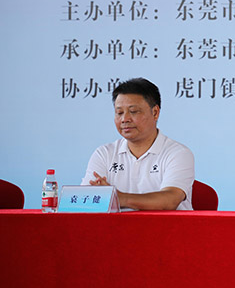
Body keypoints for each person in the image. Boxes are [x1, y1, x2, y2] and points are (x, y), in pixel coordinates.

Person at [81, 78, 195, 210]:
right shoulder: (104, 153)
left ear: (155, 112)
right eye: (119, 113)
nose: (124, 119)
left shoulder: (178, 153)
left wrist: (118, 198)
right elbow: (85, 200)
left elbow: (169, 200)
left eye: (134, 111)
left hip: (166, 224)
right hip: (115, 224)